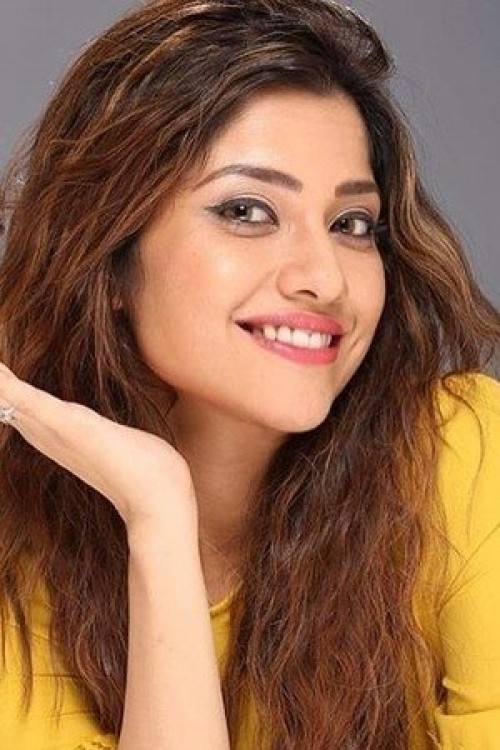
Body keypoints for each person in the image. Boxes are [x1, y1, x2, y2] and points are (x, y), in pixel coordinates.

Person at [0, 0, 499, 748]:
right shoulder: (17, 556)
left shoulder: (465, 453)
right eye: (246, 211)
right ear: (108, 255)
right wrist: (158, 514)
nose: (324, 278)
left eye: (351, 225)